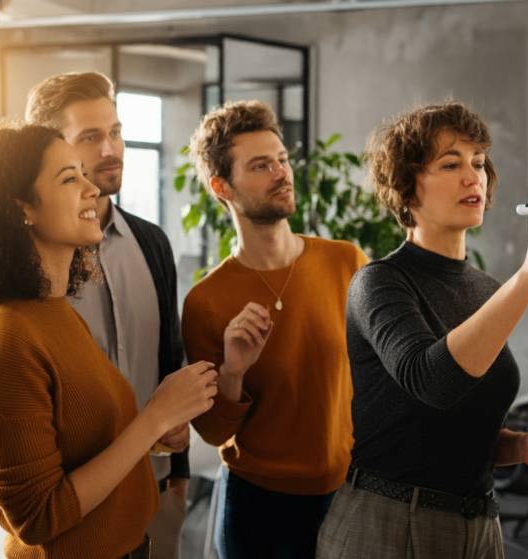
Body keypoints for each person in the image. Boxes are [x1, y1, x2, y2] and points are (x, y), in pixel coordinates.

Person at [0, 121, 217, 558]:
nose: (91, 188)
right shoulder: (8, 335)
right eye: (69, 178)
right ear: (23, 207)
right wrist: (153, 416)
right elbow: (37, 516)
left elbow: (80, 443)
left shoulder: (56, 312)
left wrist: (154, 435)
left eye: (83, 173)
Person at [316, 101, 528, 559]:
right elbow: (434, 382)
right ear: (407, 189)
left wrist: (519, 447)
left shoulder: (485, 288)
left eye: (479, 163)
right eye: (451, 164)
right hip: (386, 525)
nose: (474, 177)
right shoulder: (379, 282)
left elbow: (456, 427)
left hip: (480, 526)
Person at [182, 100, 369, 558]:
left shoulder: (347, 262)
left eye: (282, 160)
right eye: (262, 165)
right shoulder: (205, 301)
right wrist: (233, 371)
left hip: (349, 493)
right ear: (221, 186)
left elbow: (377, 379)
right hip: (257, 506)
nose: (281, 173)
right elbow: (209, 430)